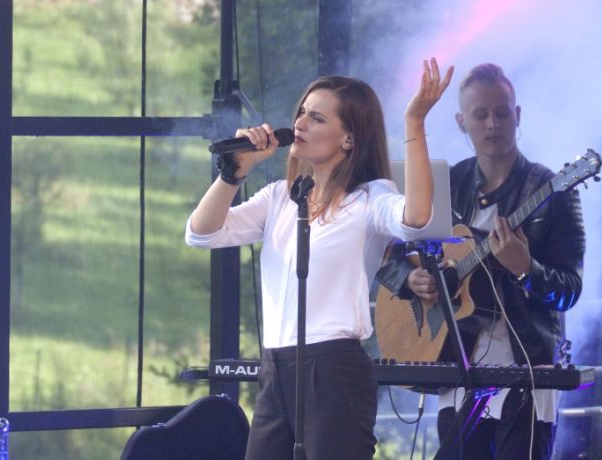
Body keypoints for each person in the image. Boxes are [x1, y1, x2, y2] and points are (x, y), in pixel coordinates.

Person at [185, 59, 453, 460]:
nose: (300, 124)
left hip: (333, 368)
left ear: (348, 139)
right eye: (301, 113)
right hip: (275, 367)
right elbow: (201, 233)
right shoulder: (280, 196)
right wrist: (233, 174)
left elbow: (415, 218)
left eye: (317, 118)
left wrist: (414, 122)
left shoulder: (369, 199)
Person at [375, 63, 585, 459]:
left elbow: (569, 290)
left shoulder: (551, 191)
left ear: (517, 115)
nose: (493, 123)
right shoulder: (445, 185)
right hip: (457, 361)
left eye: (502, 112)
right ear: (461, 122)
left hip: (527, 366)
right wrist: (411, 279)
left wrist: (525, 268)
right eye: (481, 114)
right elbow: (390, 256)